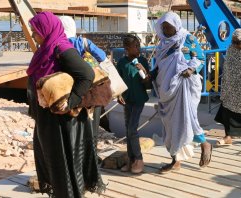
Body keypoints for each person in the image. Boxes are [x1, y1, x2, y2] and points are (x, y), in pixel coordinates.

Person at [27, 12, 105, 197]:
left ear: (47, 30)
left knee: (65, 169)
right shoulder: (44, 51)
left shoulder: (61, 48)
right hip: (48, 121)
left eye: (35, 31)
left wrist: (70, 102)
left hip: (64, 125)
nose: (32, 35)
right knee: (54, 168)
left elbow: (86, 75)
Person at [152, 12, 212, 173]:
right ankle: (176, 160)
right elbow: (159, 65)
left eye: (168, 27)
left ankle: (204, 143)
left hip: (185, 86)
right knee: (170, 125)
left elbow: (200, 57)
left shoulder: (188, 39)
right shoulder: (162, 44)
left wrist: (191, 69)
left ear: (176, 25)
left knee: (188, 119)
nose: (166, 30)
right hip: (167, 89)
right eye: (163, 27)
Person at [59, 16, 112, 132]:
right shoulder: (82, 42)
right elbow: (102, 56)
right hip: (89, 89)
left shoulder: (57, 45)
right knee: (90, 127)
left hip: (67, 90)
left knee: (73, 128)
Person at [116, 35, 150, 174]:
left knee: (132, 129)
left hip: (139, 99)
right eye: (135, 46)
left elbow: (147, 83)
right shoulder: (121, 63)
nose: (138, 48)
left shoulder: (142, 61)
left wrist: (144, 71)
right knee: (128, 129)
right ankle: (130, 160)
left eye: (138, 45)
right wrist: (118, 94)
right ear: (127, 49)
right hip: (127, 100)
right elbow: (118, 80)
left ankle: (138, 159)